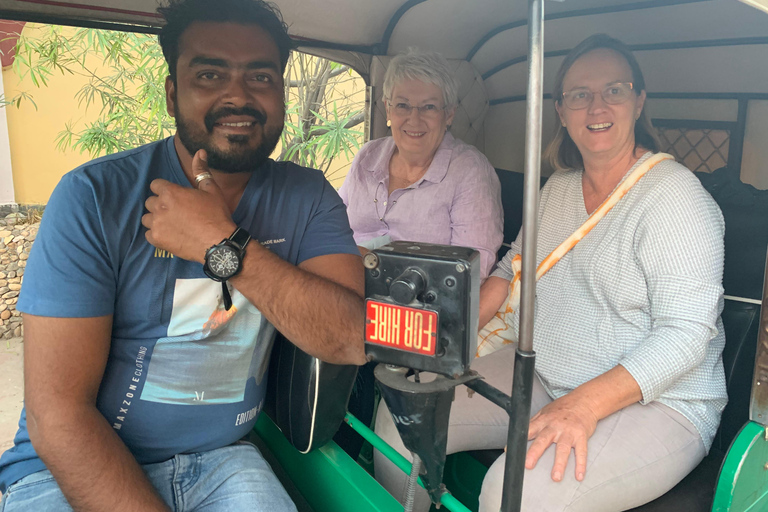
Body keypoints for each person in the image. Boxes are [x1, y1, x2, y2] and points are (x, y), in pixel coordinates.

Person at [0, 1, 366, 511]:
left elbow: (350, 339)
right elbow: (56, 415)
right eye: (210, 73)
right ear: (173, 92)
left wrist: (224, 245)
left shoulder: (308, 198)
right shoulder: (94, 197)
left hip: (222, 458)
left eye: (261, 76)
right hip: (66, 472)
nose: (238, 95)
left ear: (281, 92)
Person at [374, 34, 727, 512]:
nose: (596, 106)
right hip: (547, 374)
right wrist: (445, 337)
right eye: (579, 94)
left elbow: (686, 335)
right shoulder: (558, 189)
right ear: (561, 111)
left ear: (638, 101)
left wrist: (583, 405)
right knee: (403, 416)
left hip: (659, 403)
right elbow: (511, 269)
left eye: (614, 90)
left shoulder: (676, 198)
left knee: (512, 490)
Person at [338, 49, 503, 280]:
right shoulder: (367, 156)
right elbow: (333, 224)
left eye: (429, 107)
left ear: (449, 114)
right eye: (403, 105)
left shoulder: (470, 171)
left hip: (421, 303)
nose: (414, 119)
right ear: (388, 108)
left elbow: (471, 270)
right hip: (348, 284)